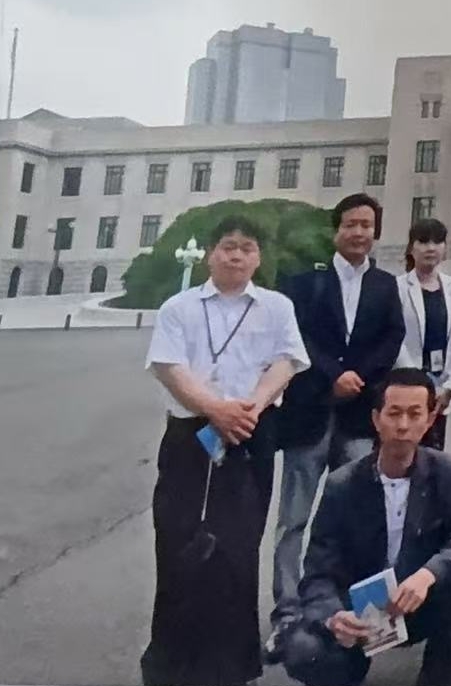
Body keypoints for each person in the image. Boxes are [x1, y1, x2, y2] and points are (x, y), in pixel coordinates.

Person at [140, 215, 310, 686]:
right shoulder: (179, 307)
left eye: (247, 248)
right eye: (228, 246)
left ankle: (233, 666)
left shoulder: (276, 306)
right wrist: (216, 410)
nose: (236, 255)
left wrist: (247, 408)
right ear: (211, 254)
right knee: (178, 544)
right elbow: (168, 366)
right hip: (190, 436)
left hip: (251, 431)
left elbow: (288, 361)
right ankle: (172, 664)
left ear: (258, 257)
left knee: (237, 550)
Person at [267, 193, 406, 656]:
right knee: (294, 520)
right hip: (310, 412)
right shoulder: (305, 281)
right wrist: (333, 375)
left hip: (359, 418)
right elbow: (296, 336)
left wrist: (359, 377)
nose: (359, 232)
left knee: (361, 518)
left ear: (375, 233)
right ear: (336, 230)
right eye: (351, 224)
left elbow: (392, 337)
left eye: (367, 225)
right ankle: (288, 614)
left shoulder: (385, 285)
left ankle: (360, 614)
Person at [282, 368, 451, 686]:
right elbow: (318, 571)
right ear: (376, 419)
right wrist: (334, 617)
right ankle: (348, 671)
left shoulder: (447, 471)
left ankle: (437, 675)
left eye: (414, 414)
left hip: (419, 600)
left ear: (430, 419)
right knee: (302, 651)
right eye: (394, 413)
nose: (403, 425)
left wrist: (427, 575)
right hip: (359, 609)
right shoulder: (342, 484)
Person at [395, 218, 451, 454]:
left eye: (437, 242)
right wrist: (418, 381)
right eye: (423, 241)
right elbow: (396, 337)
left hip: (441, 387)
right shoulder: (397, 287)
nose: (431, 248)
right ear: (411, 247)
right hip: (408, 382)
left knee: (434, 453)